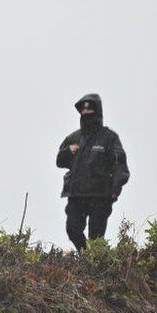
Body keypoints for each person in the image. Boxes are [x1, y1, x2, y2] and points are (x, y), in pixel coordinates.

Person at [56, 94, 129, 251]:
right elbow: (59, 161)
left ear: (97, 110)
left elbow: (120, 164)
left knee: (96, 238)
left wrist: (116, 188)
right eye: (83, 108)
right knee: (72, 229)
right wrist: (68, 151)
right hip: (76, 195)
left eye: (90, 108)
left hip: (100, 196)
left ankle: (95, 264)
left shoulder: (109, 138)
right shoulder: (73, 137)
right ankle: (86, 258)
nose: (86, 111)